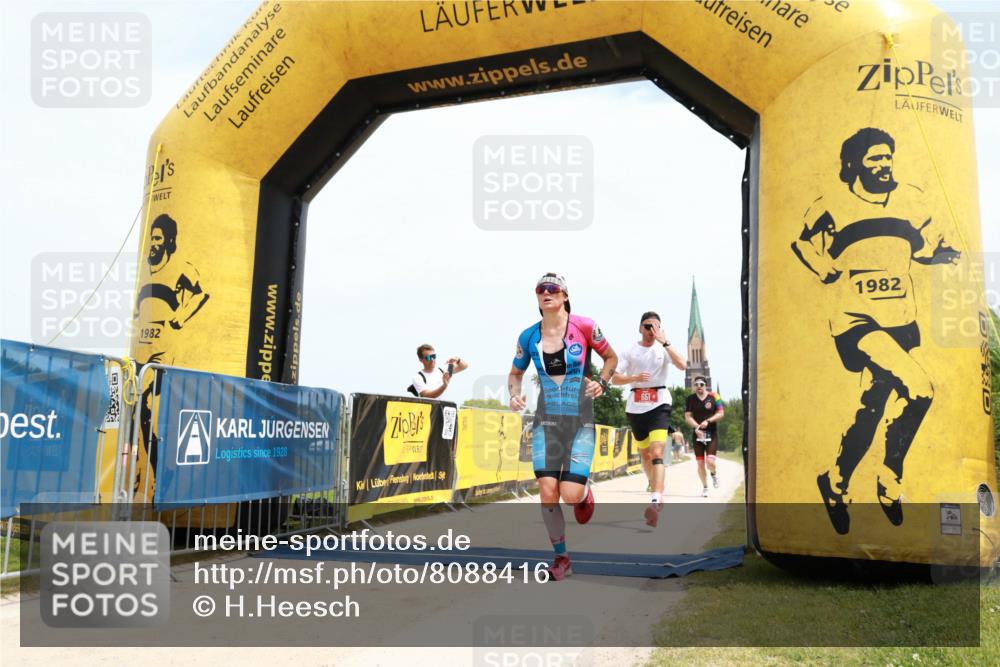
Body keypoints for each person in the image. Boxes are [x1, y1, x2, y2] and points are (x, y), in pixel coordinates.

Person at [790, 127, 958, 534]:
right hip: (856, 320)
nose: (884, 166)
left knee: (870, 409)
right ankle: (890, 477)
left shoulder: (910, 199)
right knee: (920, 387)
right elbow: (802, 242)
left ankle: (835, 481)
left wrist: (941, 257)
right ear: (854, 164)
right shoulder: (832, 203)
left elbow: (919, 251)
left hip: (901, 319)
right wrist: (822, 267)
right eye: (874, 159)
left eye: (887, 158)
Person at [508, 273, 617, 581]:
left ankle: (583, 494)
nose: (546, 293)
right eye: (541, 289)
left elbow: (611, 357)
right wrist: (515, 395)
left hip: (580, 420)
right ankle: (561, 557)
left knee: (569, 494)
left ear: (565, 295)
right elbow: (515, 374)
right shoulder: (529, 336)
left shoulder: (584, 326)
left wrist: (602, 383)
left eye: (552, 288)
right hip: (546, 421)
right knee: (546, 489)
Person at [612, 311, 686, 527]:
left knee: (656, 452)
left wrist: (666, 342)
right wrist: (634, 378)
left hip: (659, 404)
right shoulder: (629, 351)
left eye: (655, 327)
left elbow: (683, 365)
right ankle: (652, 483)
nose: (651, 331)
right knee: (645, 455)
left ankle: (656, 498)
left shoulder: (663, 349)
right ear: (639, 328)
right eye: (647, 326)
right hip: (636, 406)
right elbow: (615, 378)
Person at [685, 376, 724, 497]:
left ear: (705, 385)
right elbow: (688, 416)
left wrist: (708, 421)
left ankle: (713, 474)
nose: (699, 387)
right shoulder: (690, 399)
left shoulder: (714, 396)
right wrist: (696, 427)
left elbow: (721, 413)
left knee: (710, 462)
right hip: (697, 435)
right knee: (700, 464)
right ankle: (705, 487)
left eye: (701, 384)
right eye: (696, 384)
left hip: (711, 433)